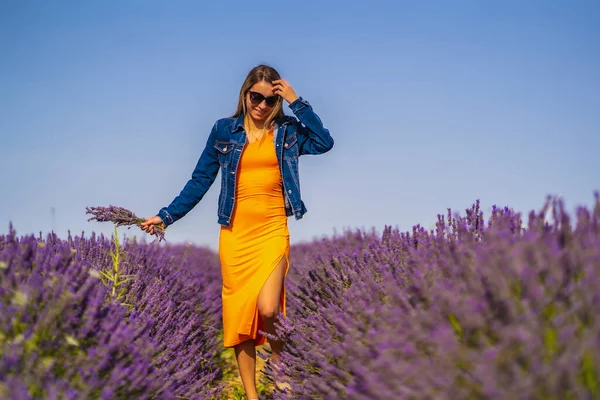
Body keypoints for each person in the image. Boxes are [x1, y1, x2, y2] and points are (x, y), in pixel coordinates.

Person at [140, 64, 333, 399]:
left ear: (278, 103)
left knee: (270, 308)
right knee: (241, 314)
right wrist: (166, 216)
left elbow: (324, 142)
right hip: (236, 234)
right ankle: (251, 394)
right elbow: (200, 179)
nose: (261, 105)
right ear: (245, 95)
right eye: (255, 96)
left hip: (273, 229)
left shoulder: (287, 131)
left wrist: (296, 101)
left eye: (270, 100)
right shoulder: (224, 131)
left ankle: (279, 368)